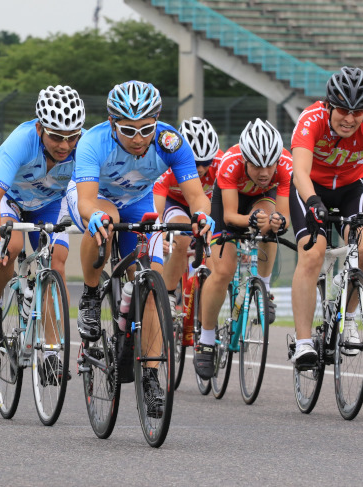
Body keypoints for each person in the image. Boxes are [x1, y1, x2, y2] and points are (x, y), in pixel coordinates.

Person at [66, 80, 213, 412]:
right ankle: (90, 295)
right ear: (111, 123)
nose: (138, 138)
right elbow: (87, 202)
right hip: (94, 199)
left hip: (139, 201)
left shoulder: (170, 142)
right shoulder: (93, 142)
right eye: (128, 130)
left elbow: (196, 195)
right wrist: (95, 216)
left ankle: (150, 376)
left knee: (151, 285)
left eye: (146, 129)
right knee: (106, 216)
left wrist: (202, 215)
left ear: (157, 121)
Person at [0, 85, 85, 381]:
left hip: (51, 203)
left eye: (72, 137)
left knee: (57, 263)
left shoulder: (83, 147)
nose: (65, 145)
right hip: (11, 200)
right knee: (8, 248)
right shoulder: (20, 142)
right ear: (40, 128)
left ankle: (51, 353)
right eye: (56, 136)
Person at [194, 119, 292, 379]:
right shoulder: (230, 162)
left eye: (270, 164)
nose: (264, 172)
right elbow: (229, 216)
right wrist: (248, 220)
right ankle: (205, 339)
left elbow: (285, 216)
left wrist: (277, 223)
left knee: (271, 225)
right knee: (224, 271)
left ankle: (264, 288)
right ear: (245, 159)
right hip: (229, 204)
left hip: (262, 198)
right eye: (257, 165)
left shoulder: (285, 166)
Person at [290, 66, 363, 368]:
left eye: (358, 112)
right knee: (313, 253)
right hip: (311, 188)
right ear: (329, 106)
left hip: (352, 189)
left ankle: (350, 318)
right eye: (343, 111)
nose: (350, 119)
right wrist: (312, 202)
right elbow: (299, 173)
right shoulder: (311, 120)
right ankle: (304, 342)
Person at [154, 117, 223, 316]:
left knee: (215, 252)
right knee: (183, 237)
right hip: (174, 203)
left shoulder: (221, 163)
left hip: (205, 205)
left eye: (206, 162)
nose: (201, 169)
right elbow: (157, 209)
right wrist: (157, 235)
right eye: (195, 163)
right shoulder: (168, 163)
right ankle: (167, 294)